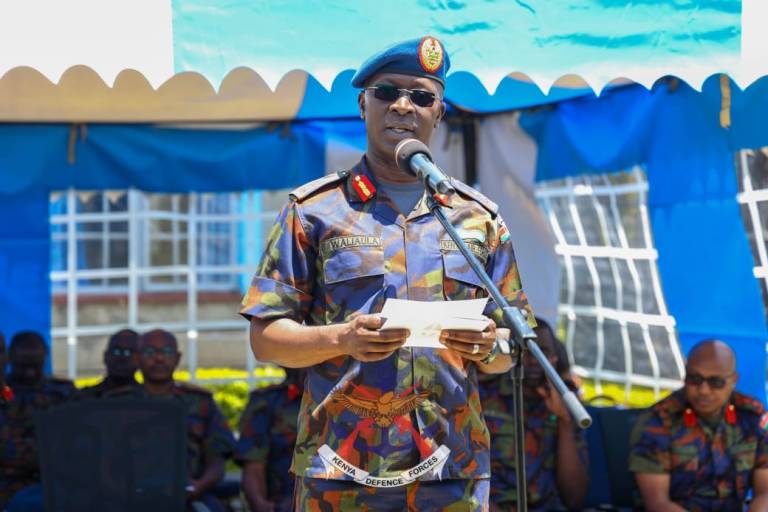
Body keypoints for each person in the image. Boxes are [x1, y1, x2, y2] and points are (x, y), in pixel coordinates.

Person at [240, 35, 533, 511]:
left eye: (421, 97)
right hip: (342, 468)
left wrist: (488, 346)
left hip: (450, 467)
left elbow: (513, 346)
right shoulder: (314, 211)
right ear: (363, 105)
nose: (402, 106)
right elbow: (267, 337)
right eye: (387, 92)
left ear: (438, 112)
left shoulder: (477, 218)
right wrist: (343, 339)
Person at [629, 339, 768, 511]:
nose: (703, 390)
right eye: (694, 379)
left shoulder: (752, 416)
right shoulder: (659, 420)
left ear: (733, 381)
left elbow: (765, 492)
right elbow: (657, 503)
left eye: (716, 382)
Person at [480, 318, 589, 511]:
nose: (532, 359)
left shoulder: (567, 402)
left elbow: (574, 497)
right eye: (525, 351)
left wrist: (564, 420)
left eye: (543, 352)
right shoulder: (485, 395)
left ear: (555, 358)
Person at [126, 329, 236, 512]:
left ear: (177, 358)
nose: (159, 359)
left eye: (167, 352)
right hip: (129, 499)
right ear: (137, 358)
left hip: (190, 497)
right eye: (150, 352)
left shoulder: (200, 402)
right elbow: (105, 460)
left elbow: (217, 459)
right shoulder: (120, 404)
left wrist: (199, 485)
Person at [0, 331, 75, 511]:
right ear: (10, 358)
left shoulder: (64, 393)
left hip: (59, 482)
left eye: (35, 365)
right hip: (11, 488)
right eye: (23, 366)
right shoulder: (5, 394)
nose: (29, 373)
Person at [236, 367, 305, 512]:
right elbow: (254, 466)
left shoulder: (347, 400)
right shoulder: (267, 402)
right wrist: (261, 504)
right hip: (282, 501)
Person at [79, 328, 140, 398]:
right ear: (105, 356)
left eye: (128, 352)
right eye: (116, 351)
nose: (121, 358)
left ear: (140, 358)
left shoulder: (149, 399)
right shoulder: (84, 398)